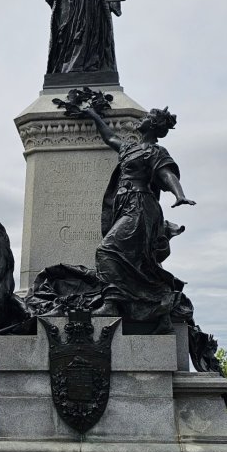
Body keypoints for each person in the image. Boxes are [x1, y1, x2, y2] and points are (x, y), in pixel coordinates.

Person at [82, 105, 196, 330]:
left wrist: (179, 195)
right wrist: (93, 114)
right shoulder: (129, 148)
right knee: (137, 261)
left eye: (147, 117)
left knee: (106, 250)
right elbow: (109, 137)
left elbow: (166, 174)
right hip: (124, 205)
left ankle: (112, 303)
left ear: (152, 125)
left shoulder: (155, 151)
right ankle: (155, 303)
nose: (142, 118)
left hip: (140, 204)